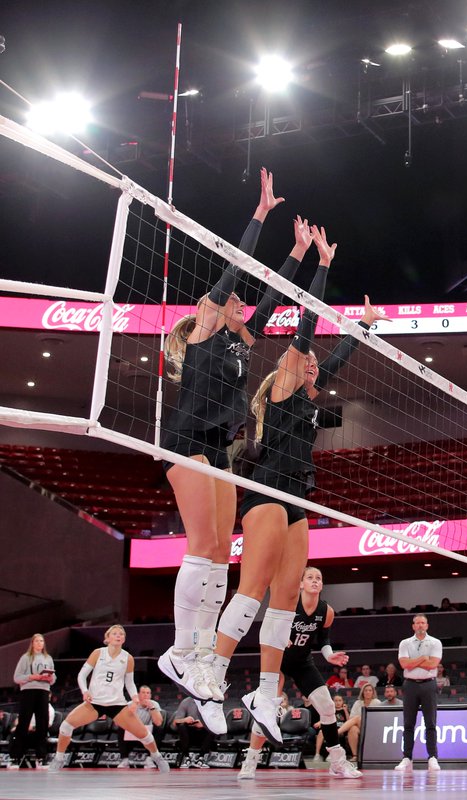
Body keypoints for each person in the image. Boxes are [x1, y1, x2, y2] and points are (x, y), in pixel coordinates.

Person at [209, 242, 387, 744]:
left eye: (314, 367)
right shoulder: (283, 391)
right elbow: (305, 333)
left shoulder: (309, 395)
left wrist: (365, 326)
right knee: (253, 586)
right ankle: (212, 675)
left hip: (298, 497)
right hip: (265, 492)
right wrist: (324, 266)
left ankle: (266, 690)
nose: (313, 368)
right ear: (286, 370)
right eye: (305, 363)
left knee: (285, 598)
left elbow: (336, 359)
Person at [157, 169, 287, 715]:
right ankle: (181, 650)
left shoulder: (241, 339)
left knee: (217, 552)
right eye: (227, 301)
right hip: (185, 437)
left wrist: (304, 254)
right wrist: (259, 214)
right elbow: (235, 267)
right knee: (200, 546)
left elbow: (276, 291)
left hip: (217, 445)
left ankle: (199, 650)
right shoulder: (210, 329)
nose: (237, 303)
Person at [238, 566, 361, 780]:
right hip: (277, 660)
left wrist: (329, 655)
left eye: (318, 578)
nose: (314, 581)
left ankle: (337, 762)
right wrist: (279, 636)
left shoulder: (326, 611)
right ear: (301, 584)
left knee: (328, 706)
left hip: (302, 662)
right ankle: (250, 761)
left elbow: (323, 640)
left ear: (322, 585)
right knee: (267, 709)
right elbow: (268, 627)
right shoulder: (288, 603)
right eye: (310, 577)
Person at [49, 625, 169, 773]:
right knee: (65, 726)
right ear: (108, 638)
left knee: (144, 734)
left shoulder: (128, 658)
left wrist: (135, 699)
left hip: (117, 704)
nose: (118, 636)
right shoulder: (98, 653)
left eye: (121, 634)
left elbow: (130, 683)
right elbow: (82, 675)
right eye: (115, 633)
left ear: (123, 639)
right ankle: (59, 758)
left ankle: (157, 757)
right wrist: (85, 691)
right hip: (95, 703)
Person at [394, 614, 443, 772]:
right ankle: (407, 757)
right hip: (410, 685)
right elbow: (404, 665)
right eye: (417, 623)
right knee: (408, 724)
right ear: (413, 626)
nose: (420, 625)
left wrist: (413, 662)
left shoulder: (435, 642)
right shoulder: (405, 643)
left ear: (427, 625)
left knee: (431, 723)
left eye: (423, 623)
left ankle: (433, 757)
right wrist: (423, 658)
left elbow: (433, 664)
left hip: (429, 685)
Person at [8, 633, 55, 769]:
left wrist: (49, 678)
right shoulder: (26, 658)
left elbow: (54, 678)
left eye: (42, 641)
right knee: (23, 723)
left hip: (43, 691)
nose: (40, 643)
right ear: (32, 643)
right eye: (37, 641)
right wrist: (31, 677)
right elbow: (17, 678)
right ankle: (16, 757)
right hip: (28, 691)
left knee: (42, 724)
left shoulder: (48, 658)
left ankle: (42, 757)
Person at [116, 686, 164, 768]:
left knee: (159, 729)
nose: (146, 695)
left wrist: (152, 708)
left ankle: (150, 759)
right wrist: (131, 712)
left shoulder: (154, 704)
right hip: (132, 734)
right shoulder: (130, 704)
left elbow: (159, 722)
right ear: (138, 695)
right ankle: (125, 760)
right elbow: (117, 722)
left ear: (150, 695)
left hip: (147, 735)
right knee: (121, 728)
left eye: (148, 693)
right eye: (143, 693)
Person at [172, 696, 215, 768]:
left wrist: (203, 724)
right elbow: (175, 722)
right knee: (181, 726)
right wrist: (185, 719)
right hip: (190, 733)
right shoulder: (186, 702)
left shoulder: (211, 702)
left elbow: (217, 722)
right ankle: (186, 757)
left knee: (212, 728)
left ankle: (202, 758)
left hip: (204, 733)